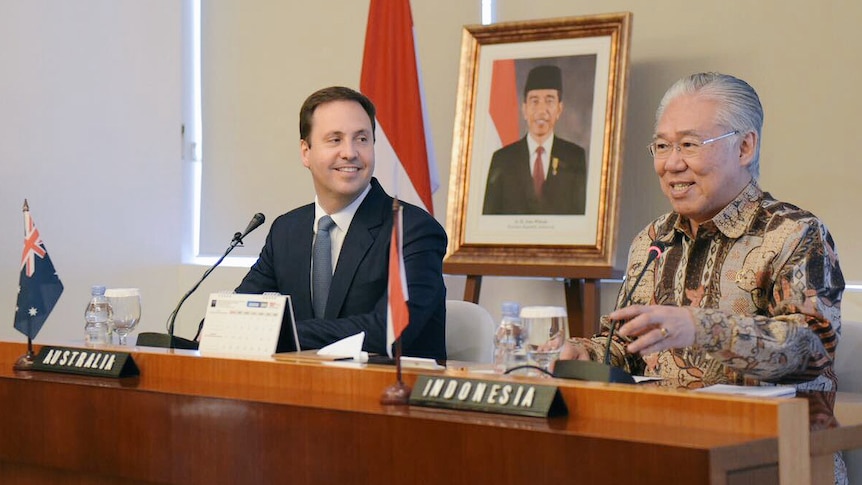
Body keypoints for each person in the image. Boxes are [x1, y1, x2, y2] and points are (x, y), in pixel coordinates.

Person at [558, 72, 846, 481]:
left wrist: (701, 328)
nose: (672, 163)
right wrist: (584, 353)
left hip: (773, 461)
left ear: (745, 146)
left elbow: (811, 350)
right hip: (666, 454)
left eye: (690, 145)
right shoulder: (653, 239)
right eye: (662, 146)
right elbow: (624, 346)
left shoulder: (794, 234)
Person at [235, 86, 447, 360]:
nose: (350, 152)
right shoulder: (286, 231)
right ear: (305, 152)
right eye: (335, 140)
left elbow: (391, 330)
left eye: (361, 139)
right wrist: (215, 329)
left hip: (384, 395)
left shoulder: (412, 230)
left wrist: (284, 334)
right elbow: (243, 309)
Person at [482, 65, 587, 215]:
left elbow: (581, 216)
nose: (541, 110)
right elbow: (489, 217)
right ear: (524, 109)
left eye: (549, 101)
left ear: (559, 108)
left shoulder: (574, 157)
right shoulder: (503, 159)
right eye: (535, 101)